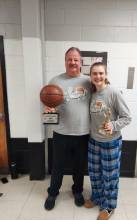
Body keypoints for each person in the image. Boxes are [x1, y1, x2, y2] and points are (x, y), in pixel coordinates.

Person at [84, 62, 131, 220]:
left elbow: (127, 117)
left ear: (106, 74)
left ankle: (109, 206)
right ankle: (97, 198)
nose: (98, 76)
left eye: (100, 73)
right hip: (94, 141)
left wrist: (114, 124)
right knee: (95, 174)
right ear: (90, 76)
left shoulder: (113, 92)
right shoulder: (92, 93)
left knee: (110, 177)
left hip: (111, 142)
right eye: (94, 73)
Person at [44, 47, 91, 210]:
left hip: (83, 133)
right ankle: (52, 193)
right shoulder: (55, 81)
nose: (72, 62)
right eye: (69, 59)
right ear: (65, 61)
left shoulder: (88, 81)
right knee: (58, 165)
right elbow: (50, 103)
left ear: (81, 62)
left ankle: (77, 191)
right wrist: (50, 109)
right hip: (61, 132)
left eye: (76, 59)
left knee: (79, 166)